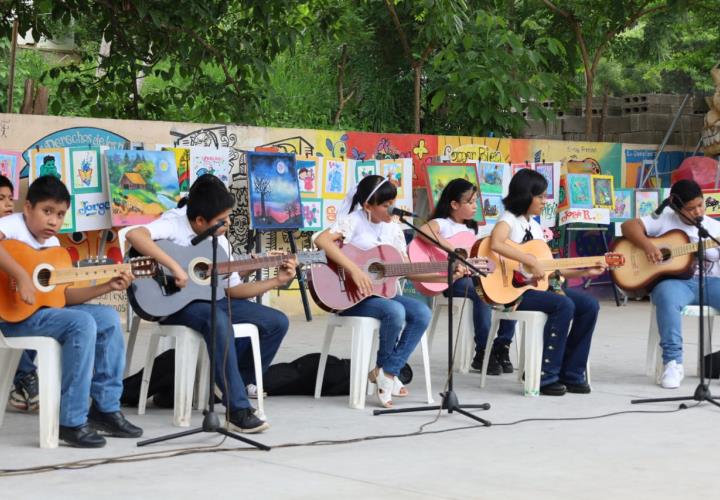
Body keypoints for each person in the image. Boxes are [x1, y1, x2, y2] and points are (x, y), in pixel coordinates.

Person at [126, 174, 295, 433]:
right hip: (172, 303)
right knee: (217, 320)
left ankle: (228, 382)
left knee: (276, 322)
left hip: (211, 300)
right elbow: (135, 235)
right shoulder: (175, 223)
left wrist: (277, 281)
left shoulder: (222, 242)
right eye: (221, 221)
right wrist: (174, 267)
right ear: (199, 221)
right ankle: (237, 408)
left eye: (227, 218)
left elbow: (234, 290)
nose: (227, 224)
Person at [0, 175, 142, 447]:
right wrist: (21, 275)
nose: (53, 221)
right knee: (81, 323)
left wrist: (106, 286)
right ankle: (71, 420)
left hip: (44, 313)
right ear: (28, 208)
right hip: (12, 316)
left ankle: (105, 408)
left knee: (108, 318)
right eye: (47, 211)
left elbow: (63, 296)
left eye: (60, 214)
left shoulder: (53, 246)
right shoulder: (11, 225)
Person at [314, 175, 455, 408]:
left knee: (421, 313)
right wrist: (355, 271)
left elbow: (408, 270)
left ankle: (386, 372)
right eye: (385, 204)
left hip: (383, 294)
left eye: (393, 202)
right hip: (352, 296)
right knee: (396, 311)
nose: (391, 208)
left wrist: (446, 274)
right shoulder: (354, 221)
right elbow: (322, 240)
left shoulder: (395, 230)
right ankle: (387, 372)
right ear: (368, 205)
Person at [489, 169, 602, 396]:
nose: (544, 201)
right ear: (525, 195)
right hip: (515, 291)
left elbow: (549, 270)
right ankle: (545, 374)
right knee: (563, 305)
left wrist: (585, 270)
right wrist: (528, 259)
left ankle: (571, 373)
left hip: (538, 287)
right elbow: (495, 243)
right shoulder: (509, 219)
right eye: (540, 196)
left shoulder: (535, 227)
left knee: (589, 305)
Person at [621, 179, 720, 388]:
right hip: (676, 283)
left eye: (700, 205)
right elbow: (628, 226)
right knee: (666, 297)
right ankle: (673, 362)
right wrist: (648, 246)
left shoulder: (714, 228)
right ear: (676, 207)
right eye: (690, 208)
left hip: (711, 282)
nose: (698, 212)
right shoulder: (664, 220)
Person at [419, 178, 516, 376]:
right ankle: (482, 351)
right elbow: (423, 232)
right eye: (470, 202)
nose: (475, 206)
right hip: (448, 280)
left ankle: (501, 345)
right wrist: (452, 249)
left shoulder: (472, 229)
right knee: (479, 291)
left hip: (469, 276)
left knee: (510, 289)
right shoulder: (442, 223)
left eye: (475, 202)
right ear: (454, 204)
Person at [0, 174, 41, 412]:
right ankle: (26, 377)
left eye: (9, 198)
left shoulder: (17, 234)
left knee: (34, 308)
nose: (7, 204)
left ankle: (20, 385)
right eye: (0, 198)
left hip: (11, 306)